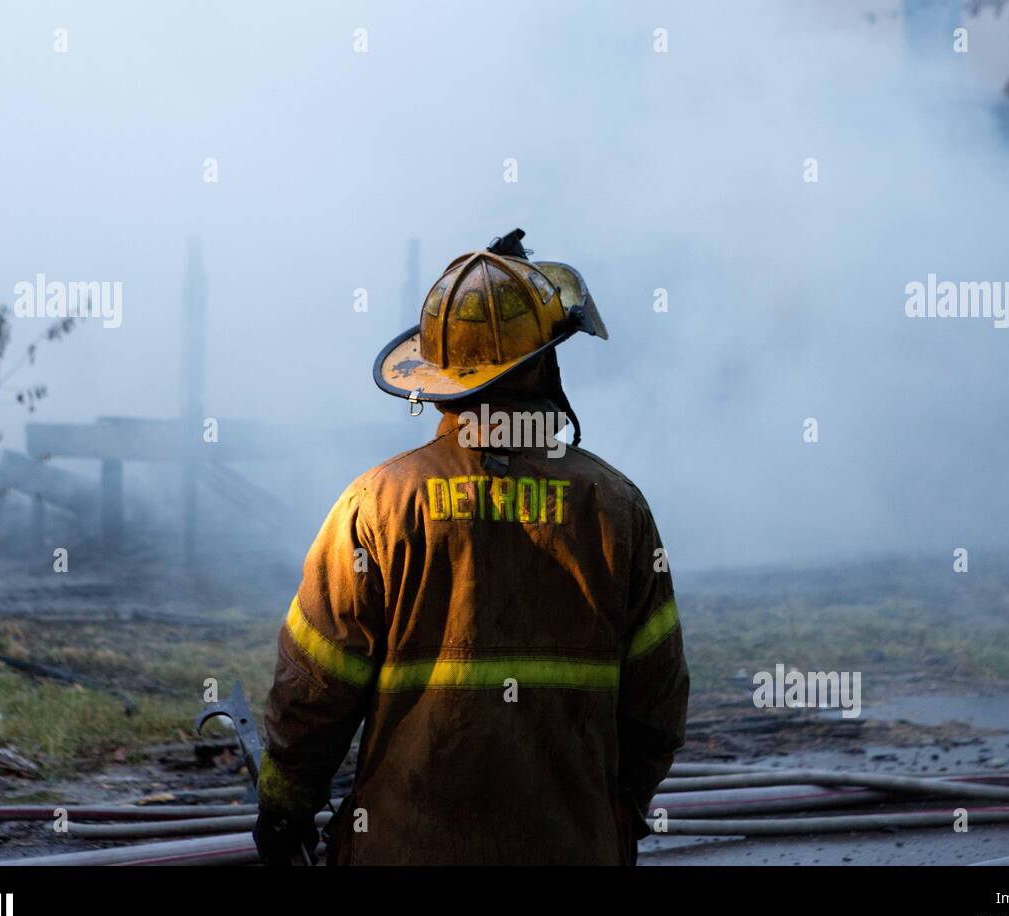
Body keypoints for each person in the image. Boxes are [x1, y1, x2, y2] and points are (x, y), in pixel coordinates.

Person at [254, 229, 688, 865]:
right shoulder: (617, 508)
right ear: (546, 361)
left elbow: (314, 688)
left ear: (438, 377)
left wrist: (285, 805)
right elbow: (658, 699)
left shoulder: (377, 504)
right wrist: (615, 807)